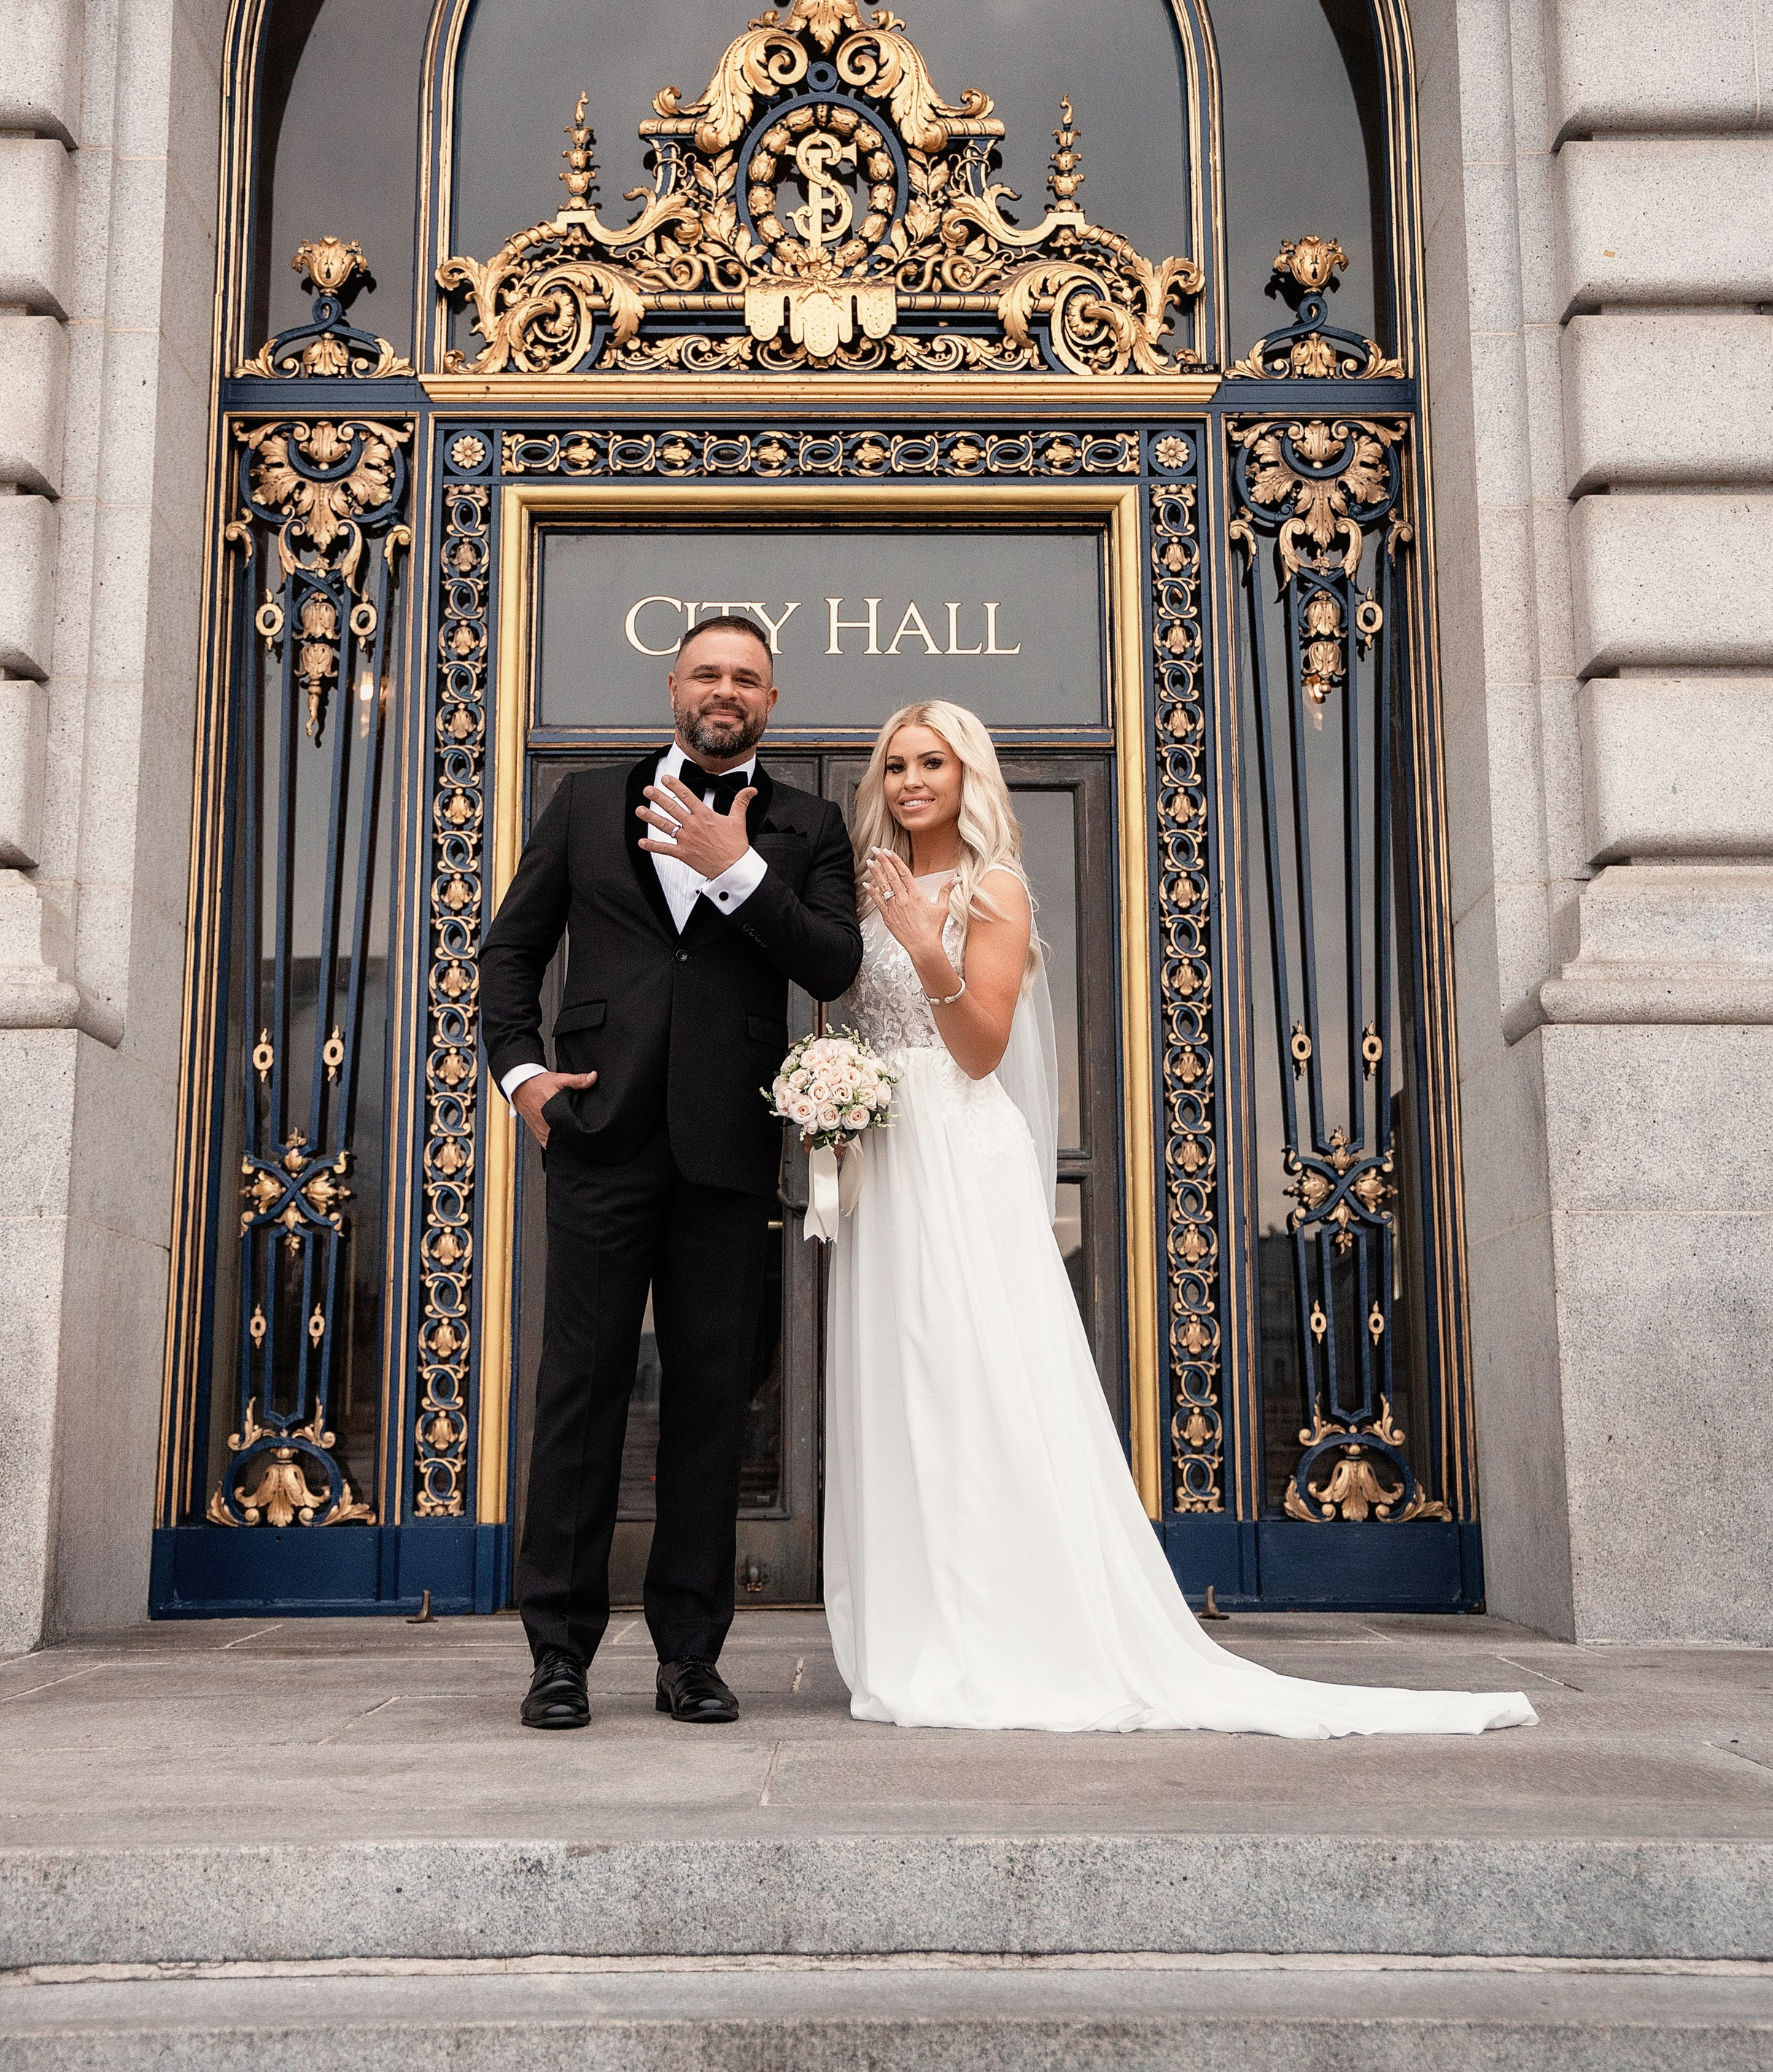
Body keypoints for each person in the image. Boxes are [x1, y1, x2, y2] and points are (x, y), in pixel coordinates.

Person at [826, 700, 1537, 1739]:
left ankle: (1006, 1628)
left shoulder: (997, 889)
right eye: (894, 765)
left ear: (970, 775)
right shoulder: (876, 891)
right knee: (901, 1378)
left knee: (970, 1372)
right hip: (890, 1159)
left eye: (932, 762)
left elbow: (979, 1049)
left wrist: (919, 946)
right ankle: (913, 1623)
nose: (910, 782)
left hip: (956, 1155)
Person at [479, 614, 862, 1731]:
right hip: (598, 1138)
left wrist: (738, 871)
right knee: (580, 1400)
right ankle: (558, 1654)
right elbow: (511, 950)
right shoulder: (589, 802)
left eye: (747, 677)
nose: (725, 690)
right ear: (674, 686)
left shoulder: (807, 823)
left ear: (771, 702)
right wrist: (523, 1078)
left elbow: (832, 959)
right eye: (708, 672)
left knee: (707, 1411)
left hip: (729, 1149)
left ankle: (690, 1656)